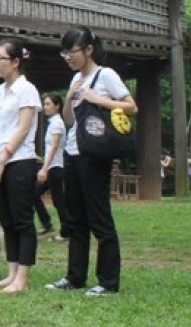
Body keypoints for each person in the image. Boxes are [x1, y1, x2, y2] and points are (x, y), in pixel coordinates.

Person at [46, 25, 137, 297]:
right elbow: (70, 121)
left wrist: (98, 98)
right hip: (73, 153)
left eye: (72, 51)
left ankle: (108, 282)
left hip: (94, 155)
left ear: (88, 50)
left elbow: (131, 106)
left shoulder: (105, 75)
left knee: (99, 218)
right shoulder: (76, 79)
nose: (68, 57)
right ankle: (75, 277)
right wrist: (72, 96)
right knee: (75, 219)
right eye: (64, 52)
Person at [0, 40, 41, 293]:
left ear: (16, 62)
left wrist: (4, 156)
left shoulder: (26, 89)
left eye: (0, 59)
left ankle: (23, 278)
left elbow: (23, 127)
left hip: (19, 161)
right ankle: (11, 273)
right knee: (6, 220)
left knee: (22, 220)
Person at [35, 93, 69, 242]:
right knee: (34, 193)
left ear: (57, 106)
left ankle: (66, 232)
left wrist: (44, 168)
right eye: (45, 104)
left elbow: (54, 146)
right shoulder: (52, 123)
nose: (45, 107)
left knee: (58, 200)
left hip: (56, 167)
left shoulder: (57, 123)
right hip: (51, 166)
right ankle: (47, 224)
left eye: (48, 104)